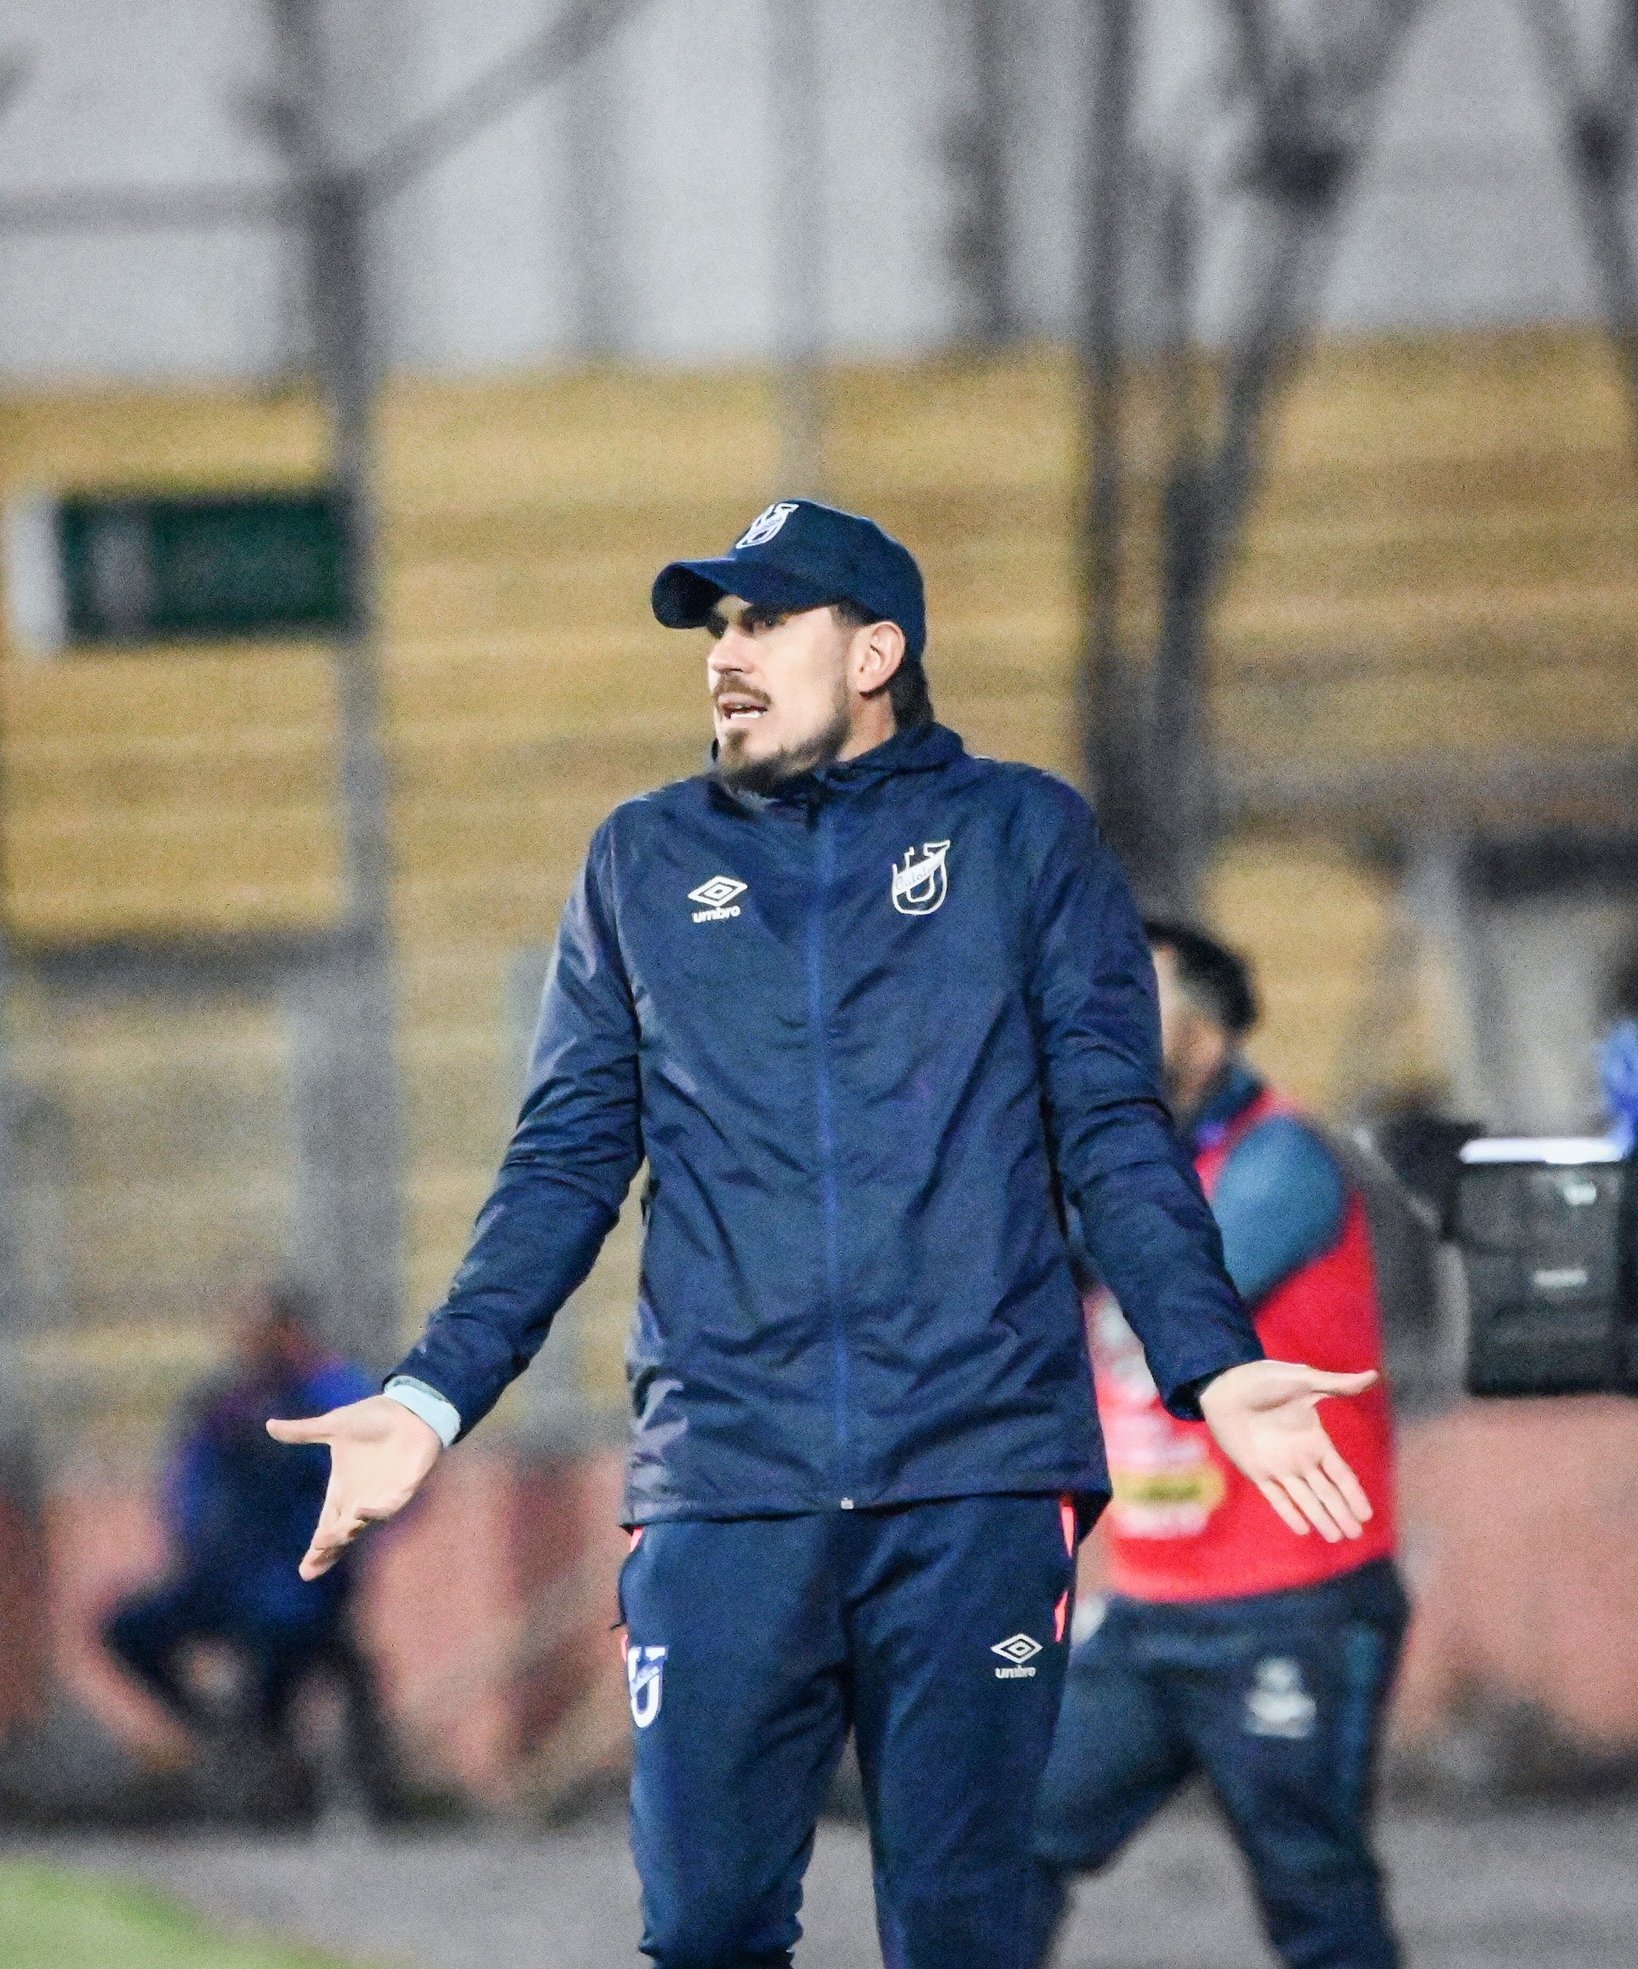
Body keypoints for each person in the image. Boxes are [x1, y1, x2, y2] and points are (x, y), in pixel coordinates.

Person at [269, 500, 1379, 1968]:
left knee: (962, 1935)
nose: (722, 657)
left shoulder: (1022, 837)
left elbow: (1113, 1132)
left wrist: (1211, 1363)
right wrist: (429, 1396)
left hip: (976, 1479)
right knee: (708, 1928)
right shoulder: (640, 863)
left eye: (758, 621)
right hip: (726, 1485)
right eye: (711, 630)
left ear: (875, 651)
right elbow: (560, 1169)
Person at [1029, 922, 1407, 1969]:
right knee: (1009, 1837)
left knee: (1314, 1893)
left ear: (1206, 1034)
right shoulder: (1107, 1166)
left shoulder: (1282, 1156)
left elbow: (1184, 1283)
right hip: (1151, 1613)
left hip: (1297, 1601)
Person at [103, 1284, 398, 1821]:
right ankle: (218, 1731)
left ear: (289, 1332)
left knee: (282, 1650)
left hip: (302, 1589)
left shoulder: (339, 1396)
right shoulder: (226, 1405)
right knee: (128, 1628)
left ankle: (273, 1769)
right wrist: (196, 1547)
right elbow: (186, 1489)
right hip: (224, 1581)